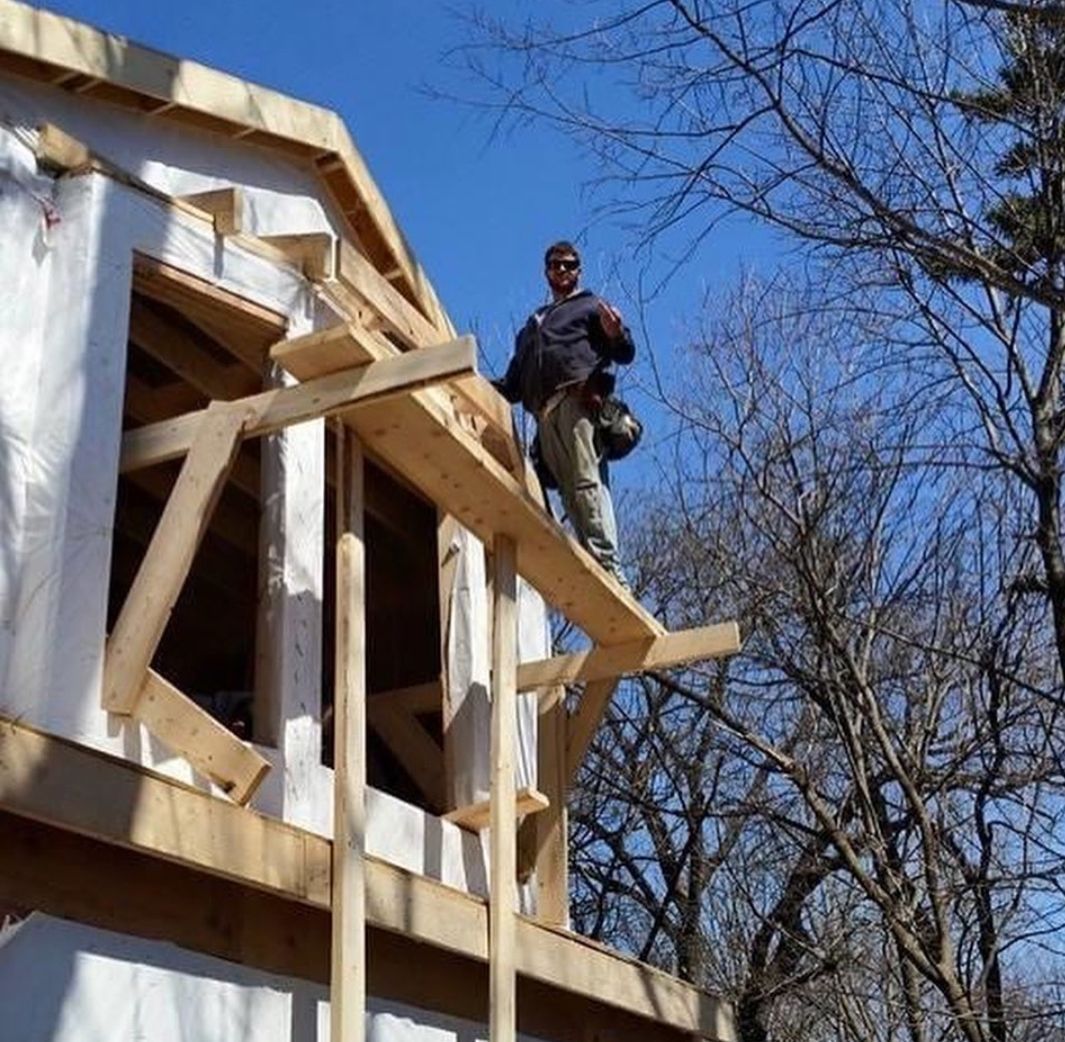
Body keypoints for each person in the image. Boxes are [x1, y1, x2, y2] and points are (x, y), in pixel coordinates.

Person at [495, 241, 635, 586]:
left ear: (578, 271)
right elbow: (511, 387)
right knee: (570, 494)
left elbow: (625, 352)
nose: (562, 271)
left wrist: (616, 333)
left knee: (588, 482)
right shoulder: (531, 328)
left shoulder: (590, 307)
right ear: (546, 271)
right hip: (544, 416)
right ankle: (592, 566)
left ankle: (609, 566)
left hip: (577, 401)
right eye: (556, 265)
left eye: (569, 265)